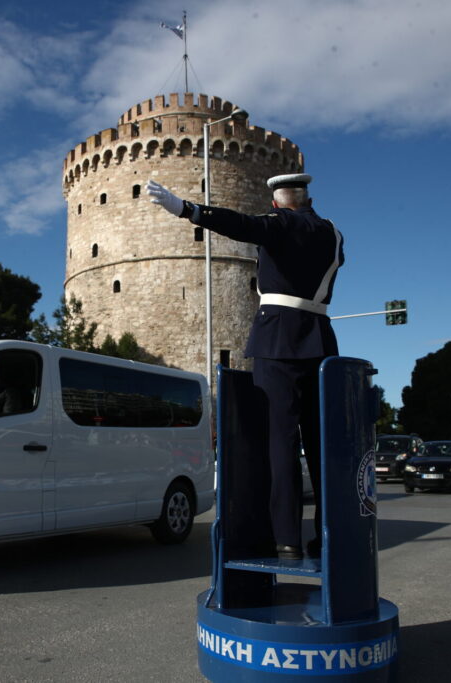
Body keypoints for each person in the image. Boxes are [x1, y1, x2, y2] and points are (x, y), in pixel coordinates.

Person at [147, 173, 344, 561]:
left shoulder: (278, 225)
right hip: (321, 338)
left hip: (277, 340)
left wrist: (189, 210)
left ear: (276, 202)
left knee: (282, 442)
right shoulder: (333, 232)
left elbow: (243, 225)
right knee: (321, 444)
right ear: (307, 198)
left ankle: (286, 536)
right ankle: (327, 535)